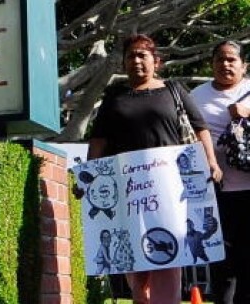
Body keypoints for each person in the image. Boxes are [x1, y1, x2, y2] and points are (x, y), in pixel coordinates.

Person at [87, 33, 222, 304]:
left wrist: (211, 162)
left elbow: (200, 128)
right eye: (130, 56)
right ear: (123, 64)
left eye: (142, 55)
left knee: (169, 250)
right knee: (135, 253)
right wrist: (89, 177)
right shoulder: (114, 98)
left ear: (156, 61)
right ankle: (141, 299)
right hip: (130, 189)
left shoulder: (174, 90)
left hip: (170, 187)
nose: (136, 61)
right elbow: (98, 140)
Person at [190, 40, 250, 304]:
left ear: (243, 65)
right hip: (214, 192)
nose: (225, 64)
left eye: (232, 60)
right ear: (211, 64)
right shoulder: (196, 96)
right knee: (222, 263)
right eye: (220, 59)